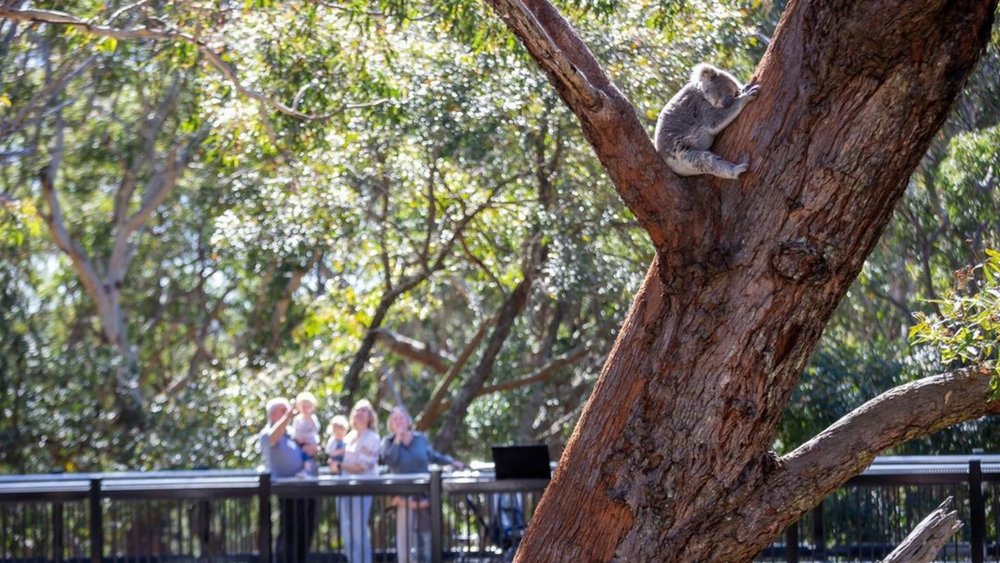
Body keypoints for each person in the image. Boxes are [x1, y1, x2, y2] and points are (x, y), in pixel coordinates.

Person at [382, 407, 464, 563]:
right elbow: (391, 460)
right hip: (402, 498)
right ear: (391, 425)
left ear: (408, 421)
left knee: (425, 541)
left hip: (423, 496)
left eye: (401, 418)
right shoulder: (388, 442)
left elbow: (432, 456)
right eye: (395, 419)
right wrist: (398, 439)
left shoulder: (420, 439)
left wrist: (452, 462)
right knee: (405, 543)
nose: (399, 422)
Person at [259, 397, 318, 563]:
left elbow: (307, 448)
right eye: (283, 411)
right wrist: (288, 417)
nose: (289, 414)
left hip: (306, 490)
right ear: (273, 414)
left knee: (304, 533)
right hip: (288, 492)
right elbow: (272, 437)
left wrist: (313, 449)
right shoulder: (267, 434)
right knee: (289, 534)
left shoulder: (291, 434)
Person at [331, 399, 380, 563]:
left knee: (359, 530)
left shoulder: (372, 438)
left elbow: (361, 466)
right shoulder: (348, 436)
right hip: (344, 488)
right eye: (357, 410)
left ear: (370, 416)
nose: (360, 413)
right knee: (346, 529)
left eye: (364, 410)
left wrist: (339, 464)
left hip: (362, 489)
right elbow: (335, 457)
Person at [291, 391, 321, 479]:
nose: (305, 408)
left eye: (308, 406)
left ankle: (308, 471)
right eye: (303, 406)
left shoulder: (313, 418)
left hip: (310, 441)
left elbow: (315, 430)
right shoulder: (297, 419)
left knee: (308, 458)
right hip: (299, 442)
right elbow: (295, 430)